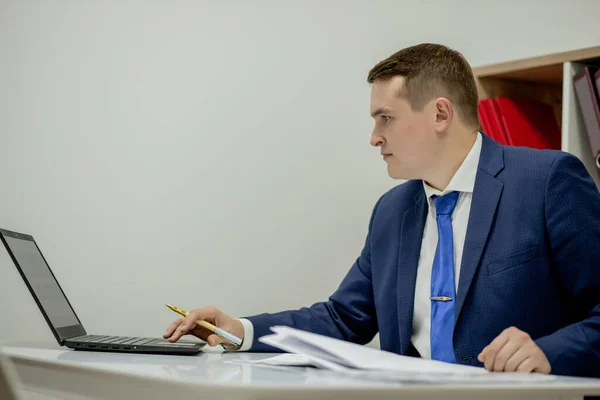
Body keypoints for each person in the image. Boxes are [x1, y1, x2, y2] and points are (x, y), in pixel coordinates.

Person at [164, 43, 600, 378]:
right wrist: (238, 330)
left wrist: (549, 351)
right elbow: (343, 317)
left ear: (441, 114)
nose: (374, 137)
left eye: (384, 118)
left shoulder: (547, 180)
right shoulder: (392, 210)